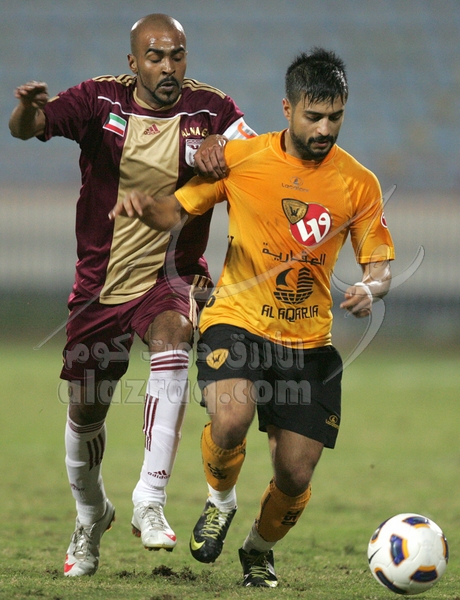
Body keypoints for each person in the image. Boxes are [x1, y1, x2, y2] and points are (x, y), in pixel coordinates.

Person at [111, 47, 395, 588]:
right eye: (314, 116)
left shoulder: (359, 183)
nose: (324, 128)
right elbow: (179, 207)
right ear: (287, 109)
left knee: (295, 474)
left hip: (308, 343)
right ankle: (220, 501)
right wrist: (146, 206)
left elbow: (378, 265)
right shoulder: (243, 159)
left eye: (335, 116)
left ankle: (258, 550)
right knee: (231, 418)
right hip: (236, 319)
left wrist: (369, 287)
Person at [9, 13, 256, 577]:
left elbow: (262, 153)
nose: (168, 67)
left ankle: (150, 496)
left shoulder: (212, 111)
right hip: (99, 286)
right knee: (85, 412)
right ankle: (91, 515)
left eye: (177, 55)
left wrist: (226, 147)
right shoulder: (100, 100)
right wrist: (26, 109)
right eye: (155, 56)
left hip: (171, 276)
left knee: (175, 337)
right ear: (133, 62)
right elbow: (28, 127)